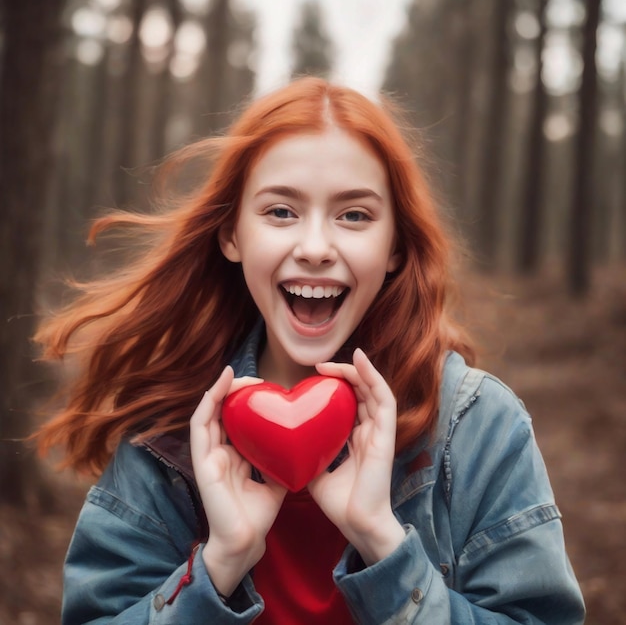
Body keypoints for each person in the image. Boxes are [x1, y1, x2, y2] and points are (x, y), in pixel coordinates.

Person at [34, 77, 585, 624]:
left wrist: (383, 542)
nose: (317, 248)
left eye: (354, 215)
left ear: (395, 246)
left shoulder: (479, 428)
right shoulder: (168, 435)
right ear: (231, 235)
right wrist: (219, 566)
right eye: (280, 212)